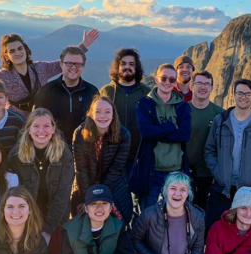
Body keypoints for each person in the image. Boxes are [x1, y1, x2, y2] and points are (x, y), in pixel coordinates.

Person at [203, 79, 251, 232]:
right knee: (214, 231)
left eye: (248, 94)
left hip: (248, 189)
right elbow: (209, 150)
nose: (244, 97)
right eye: (240, 93)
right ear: (234, 94)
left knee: (244, 234)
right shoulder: (220, 120)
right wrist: (217, 171)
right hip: (221, 187)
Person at [130, 63, 191, 212]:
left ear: (175, 82)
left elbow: (184, 135)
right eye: (163, 78)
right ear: (156, 79)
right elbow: (146, 132)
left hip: (175, 171)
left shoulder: (182, 106)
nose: (167, 82)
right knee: (148, 214)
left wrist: (157, 131)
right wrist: (171, 127)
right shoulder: (145, 104)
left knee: (173, 214)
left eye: (171, 79)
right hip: (151, 170)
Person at [8, 108, 74, 243]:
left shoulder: (64, 155)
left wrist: (48, 230)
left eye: (46, 126)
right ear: (29, 129)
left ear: (53, 128)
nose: (41, 131)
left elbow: (62, 196)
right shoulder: (16, 155)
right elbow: (12, 194)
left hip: (56, 217)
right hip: (25, 216)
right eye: (36, 126)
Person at [72, 96, 133, 223]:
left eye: (107, 112)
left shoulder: (123, 134)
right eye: (98, 112)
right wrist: (89, 198)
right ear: (91, 114)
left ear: (113, 115)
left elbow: (116, 169)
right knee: (83, 222)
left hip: (113, 185)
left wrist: (101, 197)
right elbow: (80, 169)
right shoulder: (80, 133)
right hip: (85, 185)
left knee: (116, 222)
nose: (102, 116)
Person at [33, 46, 98, 150]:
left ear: (83, 66)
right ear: (61, 64)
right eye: (69, 63)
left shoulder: (92, 92)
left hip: (84, 150)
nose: (73, 67)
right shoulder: (46, 91)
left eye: (78, 64)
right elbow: (34, 122)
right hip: (52, 150)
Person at [99, 48, 150, 177]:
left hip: (138, 156)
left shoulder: (146, 92)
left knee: (139, 195)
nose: (127, 67)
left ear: (136, 67)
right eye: (123, 63)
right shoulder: (106, 91)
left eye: (131, 64)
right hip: (111, 156)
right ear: (117, 66)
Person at [185, 70, 223, 209]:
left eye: (207, 84)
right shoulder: (181, 110)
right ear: (191, 86)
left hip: (209, 174)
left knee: (204, 215)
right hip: (183, 172)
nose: (203, 87)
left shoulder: (220, 114)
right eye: (199, 83)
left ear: (212, 88)